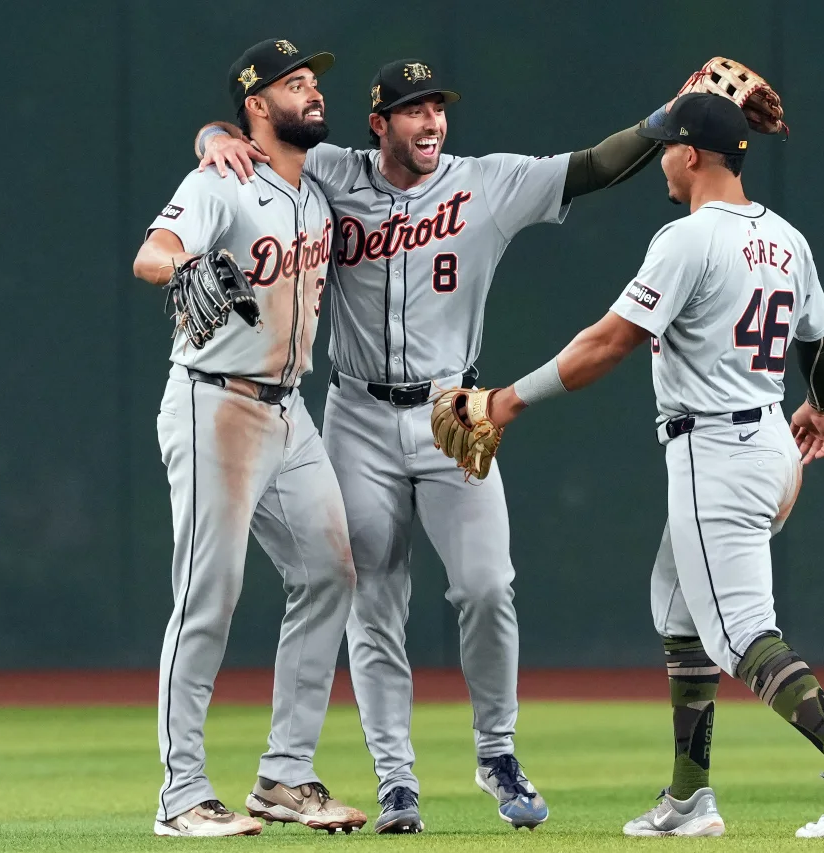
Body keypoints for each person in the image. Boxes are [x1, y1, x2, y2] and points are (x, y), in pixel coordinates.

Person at [192, 57, 672, 832]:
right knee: (372, 598)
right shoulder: (334, 171)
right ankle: (395, 780)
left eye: (437, 108)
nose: (430, 122)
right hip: (356, 412)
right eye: (412, 110)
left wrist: (667, 119)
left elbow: (590, 168)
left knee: (487, 585)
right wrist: (213, 132)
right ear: (379, 123)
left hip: (457, 408)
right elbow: (257, 139)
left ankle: (497, 752)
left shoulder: (489, 180)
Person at [442, 93, 824, 839]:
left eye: (666, 145)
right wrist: (819, 404)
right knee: (678, 607)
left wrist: (506, 401)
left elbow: (609, 342)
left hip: (715, 451)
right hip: (768, 446)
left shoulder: (686, 239)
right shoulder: (786, 237)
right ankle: (690, 799)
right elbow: (818, 337)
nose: (659, 156)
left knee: (742, 633)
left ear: (691, 155)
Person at [131, 37, 366, 837]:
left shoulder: (318, 182)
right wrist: (181, 267)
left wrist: (210, 128)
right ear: (257, 105)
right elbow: (152, 253)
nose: (312, 93)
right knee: (209, 595)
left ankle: (285, 775)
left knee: (331, 573)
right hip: (215, 404)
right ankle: (181, 793)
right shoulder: (219, 180)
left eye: (313, 82)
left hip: (288, 408)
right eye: (293, 85)